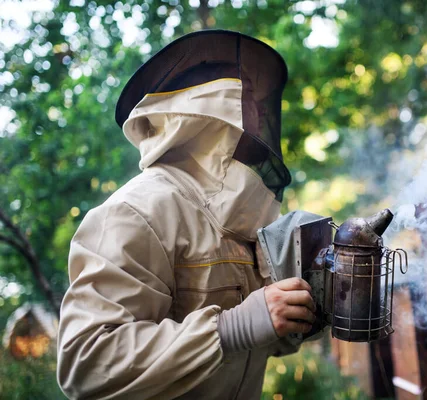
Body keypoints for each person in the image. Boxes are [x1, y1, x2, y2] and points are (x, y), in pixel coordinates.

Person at [57, 30, 316, 399]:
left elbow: (258, 343)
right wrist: (234, 327)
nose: (260, 111)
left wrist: (301, 314)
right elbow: (86, 364)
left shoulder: (241, 220)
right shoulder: (135, 212)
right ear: (209, 109)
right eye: (245, 98)